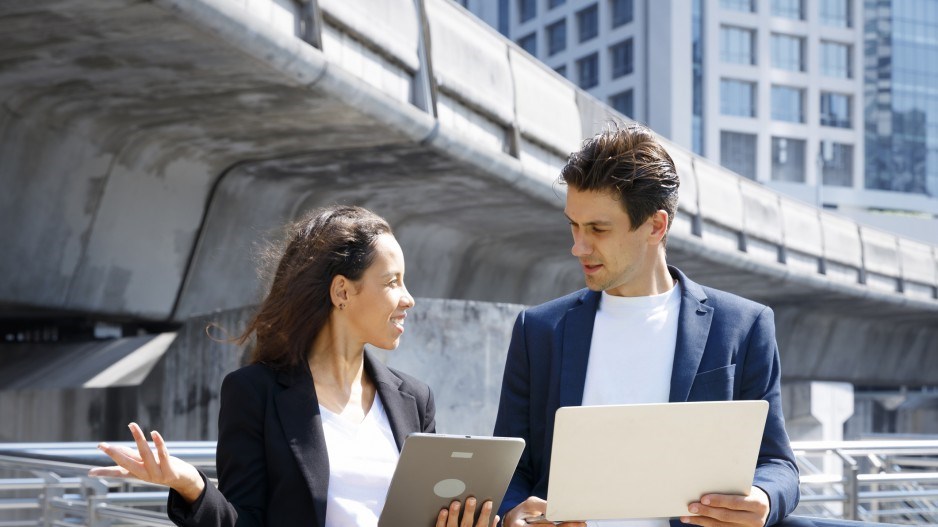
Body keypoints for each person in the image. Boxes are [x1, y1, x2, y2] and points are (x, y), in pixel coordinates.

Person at [90, 206, 499, 527]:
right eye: (392, 282)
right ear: (342, 291)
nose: (408, 298)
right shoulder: (255, 393)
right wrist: (192, 486)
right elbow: (244, 522)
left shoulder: (415, 399)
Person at [493, 123, 800, 527]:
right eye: (574, 225)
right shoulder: (539, 331)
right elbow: (509, 467)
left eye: (598, 229)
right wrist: (513, 513)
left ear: (656, 226)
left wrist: (761, 497)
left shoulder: (743, 326)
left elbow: (778, 464)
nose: (578, 246)